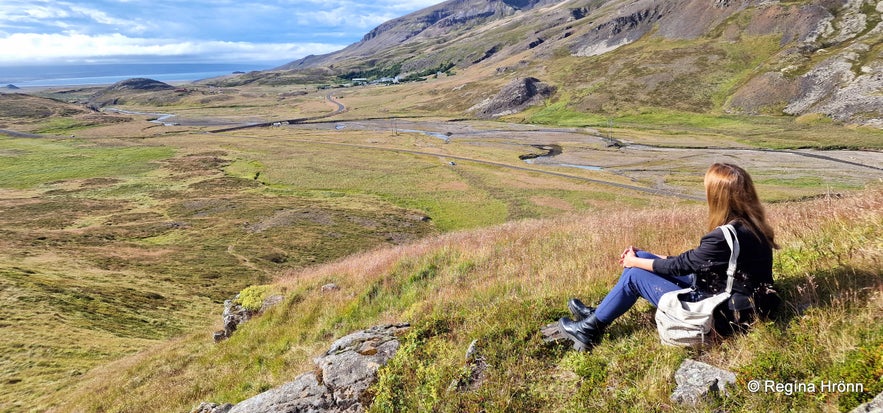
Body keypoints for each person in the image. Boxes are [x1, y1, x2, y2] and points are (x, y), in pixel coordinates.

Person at [559, 163, 779, 351]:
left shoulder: (723, 236)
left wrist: (634, 262)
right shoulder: (753, 226)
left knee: (635, 275)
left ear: (718, 197)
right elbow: (695, 261)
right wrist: (647, 256)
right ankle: (599, 312)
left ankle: (588, 330)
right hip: (735, 298)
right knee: (642, 257)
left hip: (723, 315)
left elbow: (682, 266)